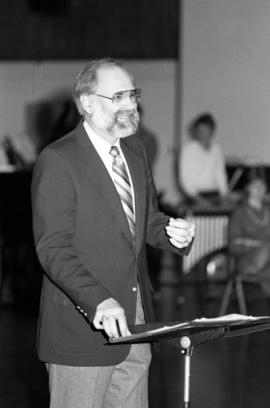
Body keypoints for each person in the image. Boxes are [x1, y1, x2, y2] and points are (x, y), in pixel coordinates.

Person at [31, 58, 195, 408]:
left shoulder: (134, 151)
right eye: (117, 96)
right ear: (87, 103)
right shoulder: (59, 159)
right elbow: (53, 249)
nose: (130, 105)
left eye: (132, 95)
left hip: (136, 323)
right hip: (83, 327)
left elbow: (144, 220)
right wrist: (98, 300)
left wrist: (170, 232)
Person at [228, 168, 270, 297]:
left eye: (262, 186)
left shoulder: (268, 211)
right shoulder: (240, 213)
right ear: (248, 188)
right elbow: (233, 246)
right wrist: (259, 245)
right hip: (249, 262)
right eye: (255, 186)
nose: (259, 189)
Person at [179, 113, 228, 205]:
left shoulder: (216, 149)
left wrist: (224, 194)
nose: (202, 132)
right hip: (195, 196)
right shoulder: (188, 149)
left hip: (215, 195)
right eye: (200, 130)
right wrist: (196, 198)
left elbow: (220, 174)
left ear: (211, 130)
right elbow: (185, 178)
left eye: (205, 129)